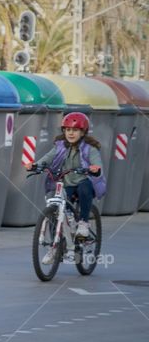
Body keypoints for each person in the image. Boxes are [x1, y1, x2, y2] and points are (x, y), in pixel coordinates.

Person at [25, 111, 104, 264]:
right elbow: (48, 157)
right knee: (56, 208)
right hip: (66, 182)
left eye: (75, 130)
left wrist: (94, 168)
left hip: (84, 180)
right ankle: (55, 248)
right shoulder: (60, 146)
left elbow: (96, 162)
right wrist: (36, 165)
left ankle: (83, 223)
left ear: (83, 132)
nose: (71, 133)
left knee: (84, 188)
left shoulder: (90, 148)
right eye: (68, 130)